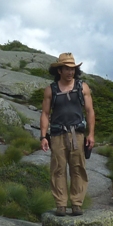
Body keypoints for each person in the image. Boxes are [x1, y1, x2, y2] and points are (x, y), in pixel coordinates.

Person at [40, 53, 95, 216]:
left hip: (77, 134)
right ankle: (61, 204)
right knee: (58, 169)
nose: (70, 72)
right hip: (57, 135)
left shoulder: (82, 87)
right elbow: (44, 113)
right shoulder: (51, 89)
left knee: (78, 168)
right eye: (67, 68)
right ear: (59, 70)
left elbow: (90, 111)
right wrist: (43, 136)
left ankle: (77, 203)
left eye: (72, 69)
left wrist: (91, 134)